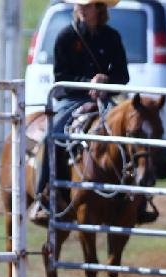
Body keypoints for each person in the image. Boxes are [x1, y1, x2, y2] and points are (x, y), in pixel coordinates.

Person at [28, 0, 134, 224]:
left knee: (128, 131)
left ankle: (134, 195)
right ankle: (43, 194)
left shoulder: (112, 37)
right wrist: (89, 83)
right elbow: (61, 78)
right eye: (79, 5)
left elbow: (123, 76)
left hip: (104, 99)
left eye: (87, 6)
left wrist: (106, 81)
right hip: (71, 99)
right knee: (51, 136)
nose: (81, 9)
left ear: (99, 9)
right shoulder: (66, 36)